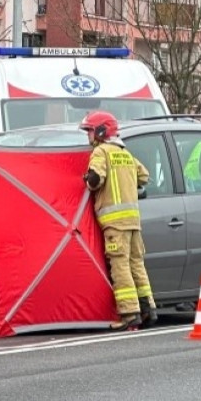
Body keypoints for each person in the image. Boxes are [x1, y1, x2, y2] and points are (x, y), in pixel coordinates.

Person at [80, 111, 156, 330]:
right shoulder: (125, 153)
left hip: (114, 224)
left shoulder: (100, 152)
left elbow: (95, 180)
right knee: (136, 264)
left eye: (90, 131)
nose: (88, 136)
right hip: (133, 222)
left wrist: (86, 179)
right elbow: (144, 176)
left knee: (120, 266)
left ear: (102, 131)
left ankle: (129, 313)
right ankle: (148, 309)